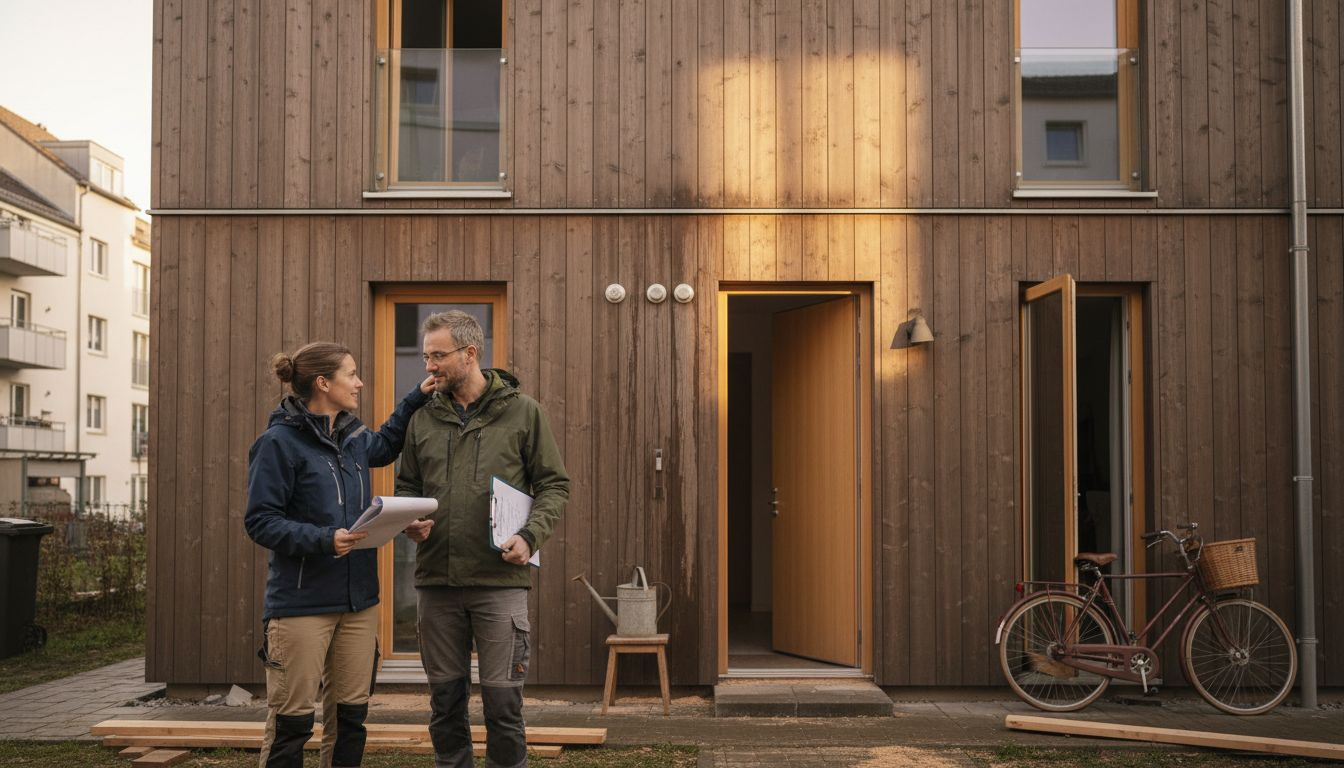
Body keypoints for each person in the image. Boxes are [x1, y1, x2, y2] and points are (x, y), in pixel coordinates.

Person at [245, 342, 433, 768]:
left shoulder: (352, 439)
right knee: (292, 722)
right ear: (323, 383)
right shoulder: (277, 444)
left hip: (359, 601)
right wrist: (324, 539)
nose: (360, 382)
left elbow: (384, 445)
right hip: (301, 605)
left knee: (351, 719)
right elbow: (261, 521)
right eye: (352, 374)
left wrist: (418, 395)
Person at [398, 311, 569, 768]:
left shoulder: (523, 412)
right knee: (445, 704)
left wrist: (531, 538)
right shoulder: (422, 417)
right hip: (437, 583)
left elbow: (554, 485)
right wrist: (410, 519)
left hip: (500, 581)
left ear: (470, 354)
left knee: (503, 706)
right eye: (426, 356)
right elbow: (408, 487)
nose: (429, 366)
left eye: (438, 356)